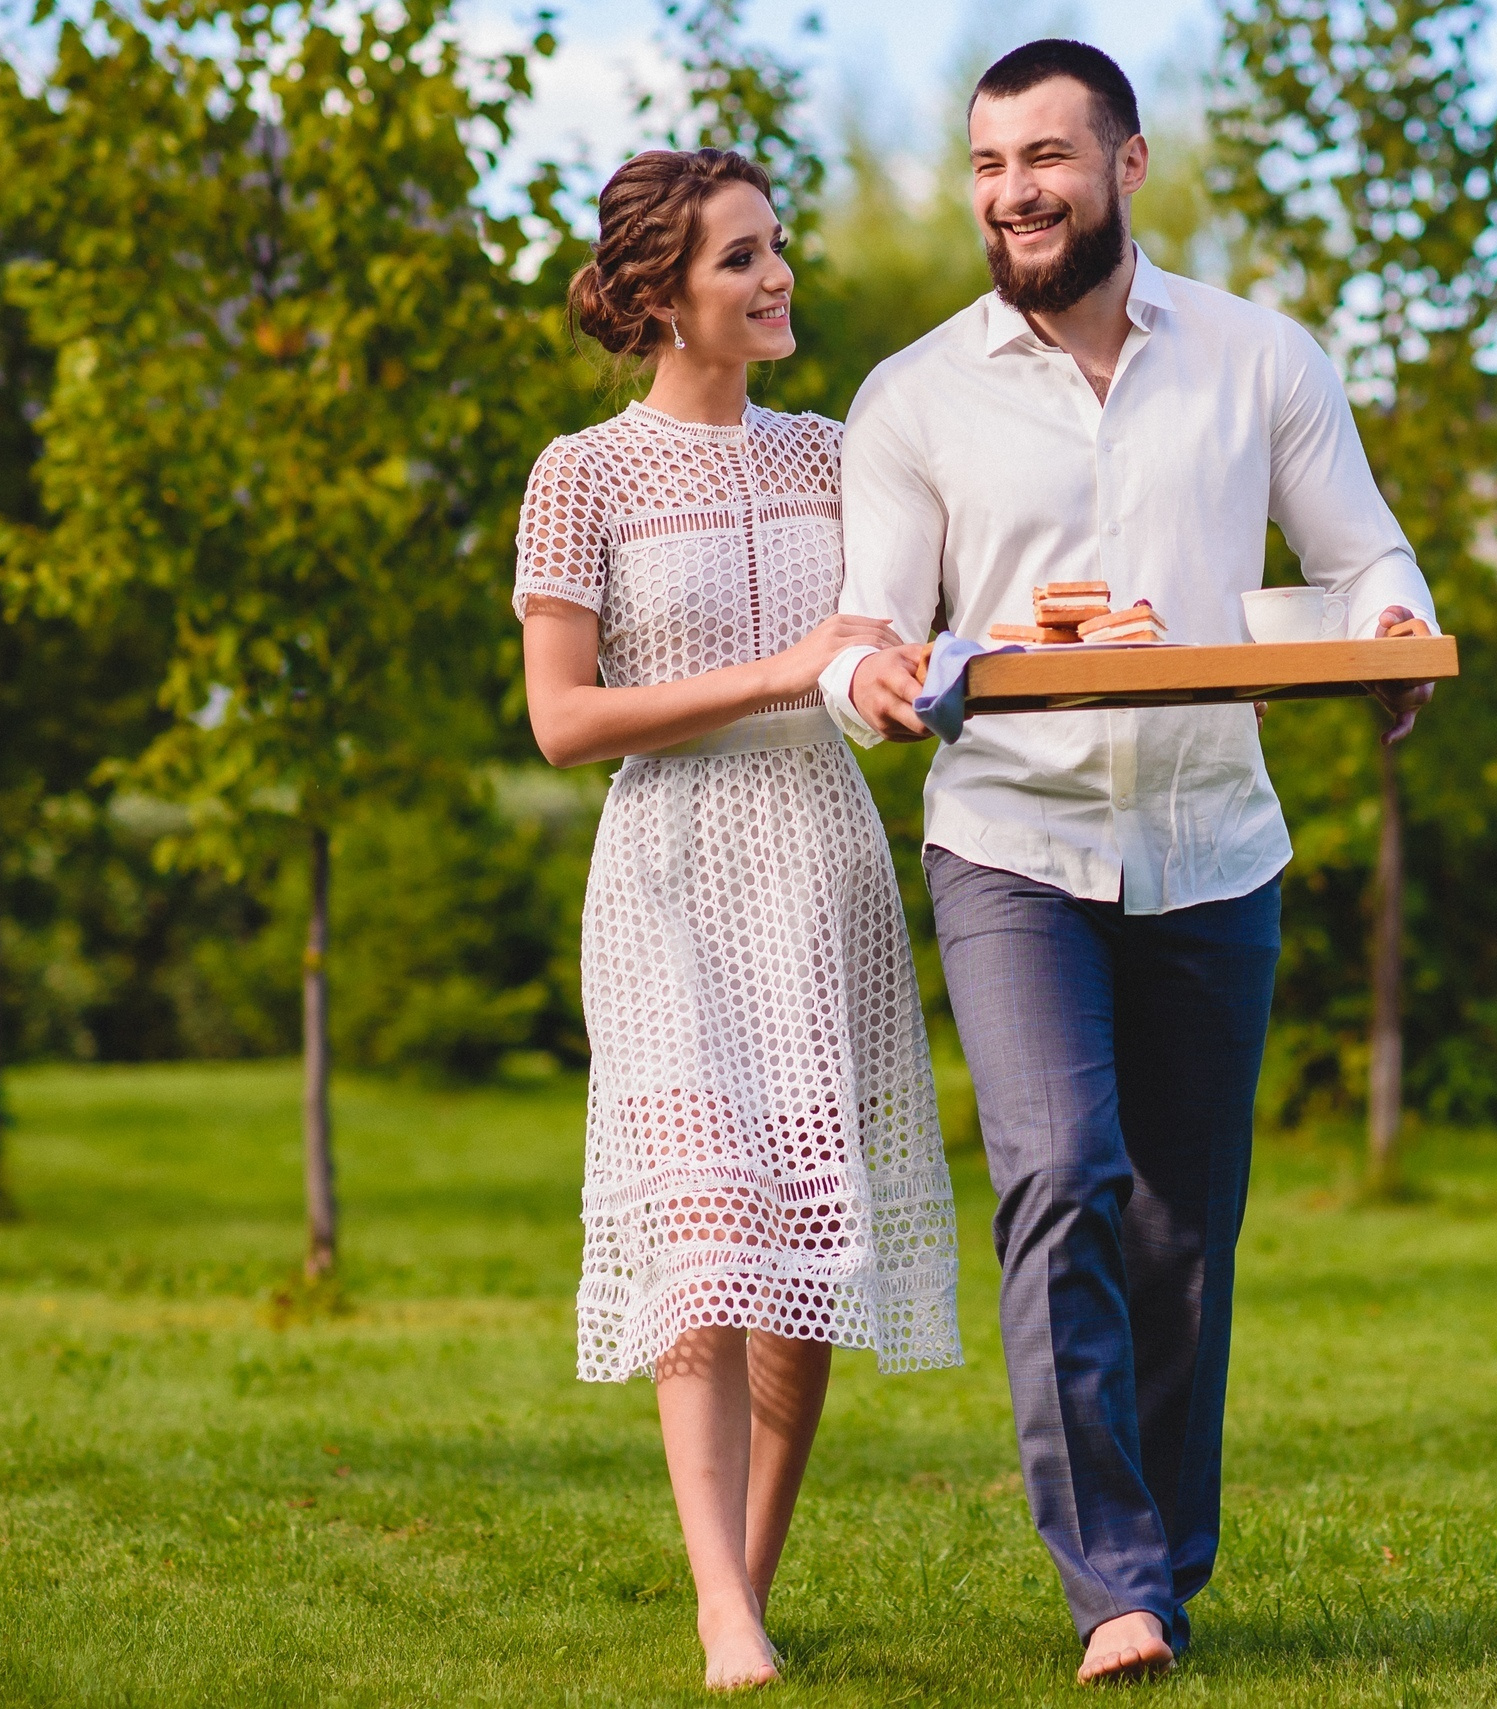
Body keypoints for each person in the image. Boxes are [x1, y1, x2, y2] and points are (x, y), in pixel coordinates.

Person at [819, 40, 1442, 1686]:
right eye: (987, 166)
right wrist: (870, 676)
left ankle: (1168, 1558)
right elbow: (871, 625)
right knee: (1060, 1173)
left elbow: (1360, 545)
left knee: (1181, 1224)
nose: (1013, 194)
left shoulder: (1256, 357)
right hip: (1012, 838)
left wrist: (1388, 624)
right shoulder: (915, 395)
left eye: (1046, 159)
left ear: (1129, 165)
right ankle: (1111, 1583)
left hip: (1215, 845)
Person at [516, 146, 962, 1693]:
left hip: (823, 864)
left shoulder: (838, 453)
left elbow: (892, 643)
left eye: (775, 247)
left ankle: (749, 1580)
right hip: (670, 876)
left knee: (804, 1245)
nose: (777, 278)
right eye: (739, 259)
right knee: (703, 1235)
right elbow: (564, 721)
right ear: (657, 296)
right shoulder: (584, 473)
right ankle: (721, 1612)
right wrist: (785, 671)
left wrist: (897, 685)